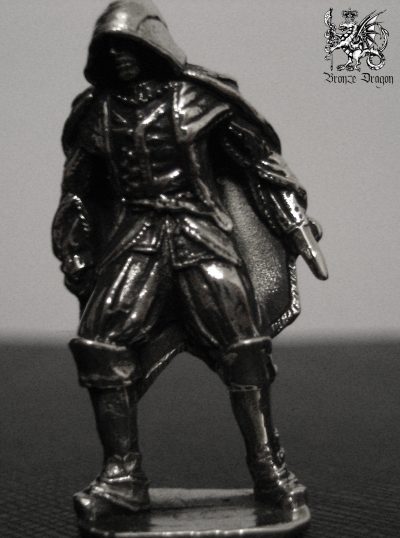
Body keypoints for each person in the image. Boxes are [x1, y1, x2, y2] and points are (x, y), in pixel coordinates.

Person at [52, 0, 328, 522]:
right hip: (135, 241)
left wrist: (294, 223)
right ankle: (123, 477)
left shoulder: (200, 100)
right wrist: (75, 249)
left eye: (129, 45)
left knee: (244, 347)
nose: (120, 56)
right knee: (101, 345)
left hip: (201, 235)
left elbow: (261, 165)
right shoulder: (97, 114)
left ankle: (269, 470)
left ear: (153, 45)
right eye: (109, 49)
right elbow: (78, 193)